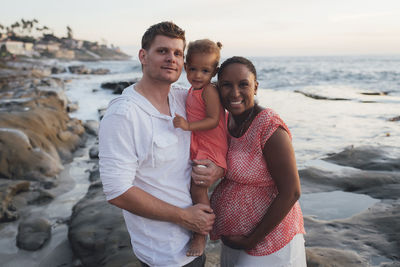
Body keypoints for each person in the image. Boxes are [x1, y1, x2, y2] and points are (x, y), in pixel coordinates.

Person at [98, 22, 224, 267]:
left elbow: (217, 129)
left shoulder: (182, 98)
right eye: (162, 51)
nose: (171, 59)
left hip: (195, 241)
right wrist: (184, 217)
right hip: (163, 254)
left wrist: (216, 169)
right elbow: (117, 191)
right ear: (143, 56)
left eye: (178, 53)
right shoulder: (123, 114)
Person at [208, 56, 306, 266]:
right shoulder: (226, 121)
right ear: (217, 88)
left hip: (271, 239)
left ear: (255, 87)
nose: (235, 93)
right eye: (226, 85)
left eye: (243, 84)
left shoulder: (269, 127)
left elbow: (292, 192)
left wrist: (252, 239)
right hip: (236, 239)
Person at [172, 39, 227, 257]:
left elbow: (213, 120)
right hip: (201, 145)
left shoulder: (209, 91)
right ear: (186, 67)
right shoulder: (192, 91)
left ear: (214, 72)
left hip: (211, 147)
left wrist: (187, 126)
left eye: (205, 71)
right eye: (193, 69)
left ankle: (201, 232)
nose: (198, 75)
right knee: (192, 186)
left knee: (198, 188)